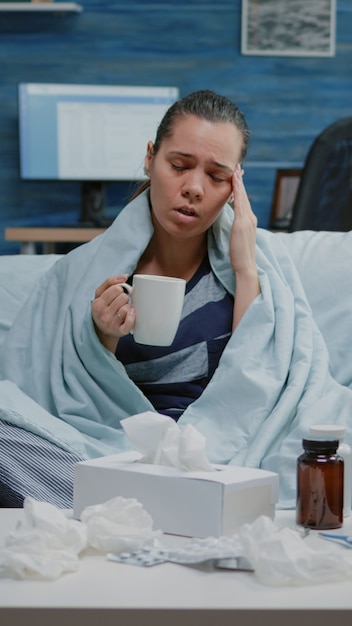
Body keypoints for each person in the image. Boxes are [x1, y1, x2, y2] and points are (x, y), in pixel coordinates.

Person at [1, 89, 352, 510]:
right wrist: (99, 337)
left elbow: (266, 379)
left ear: (235, 184)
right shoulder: (82, 271)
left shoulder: (259, 265)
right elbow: (50, 391)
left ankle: (138, 509)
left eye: (217, 176)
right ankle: (143, 509)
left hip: (222, 456)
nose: (194, 189)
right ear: (151, 158)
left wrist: (244, 268)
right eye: (180, 166)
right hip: (111, 451)